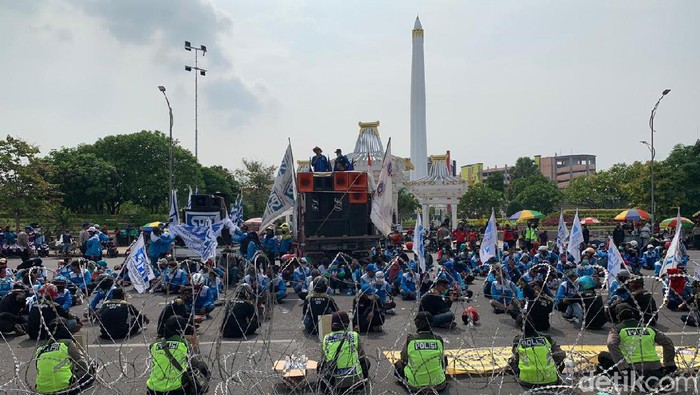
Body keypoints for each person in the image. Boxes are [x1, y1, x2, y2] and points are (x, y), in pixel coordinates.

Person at [596, 304, 676, 389]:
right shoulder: (648, 328)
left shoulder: (618, 329)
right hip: (655, 366)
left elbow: (611, 344)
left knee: (603, 356)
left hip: (633, 368)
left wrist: (623, 367)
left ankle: (627, 380)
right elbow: (668, 342)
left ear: (617, 317)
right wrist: (669, 364)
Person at [146, 316, 210, 395]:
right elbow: (195, 362)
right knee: (201, 366)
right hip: (175, 390)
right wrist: (195, 343)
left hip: (153, 389)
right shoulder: (183, 344)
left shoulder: (154, 345)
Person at [34, 318, 95, 395]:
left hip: (41, 389)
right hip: (65, 388)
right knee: (92, 368)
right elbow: (83, 366)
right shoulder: (67, 343)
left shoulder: (40, 348)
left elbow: (38, 368)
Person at [393, 311, 447, 392]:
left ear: (416, 324)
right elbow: (442, 359)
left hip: (415, 386)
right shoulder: (438, 340)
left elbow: (404, 359)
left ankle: (410, 379)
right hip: (439, 385)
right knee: (444, 359)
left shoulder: (411, 340)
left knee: (398, 364)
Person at [319, 311, 369, 391]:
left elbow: (322, 361)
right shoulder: (354, 335)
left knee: (320, 365)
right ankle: (363, 380)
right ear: (347, 324)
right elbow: (362, 357)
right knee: (366, 361)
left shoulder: (326, 338)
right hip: (356, 383)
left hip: (334, 384)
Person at [509, 321, 565, 389]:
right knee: (562, 363)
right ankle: (555, 376)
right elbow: (561, 355)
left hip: (526, 381)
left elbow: (517, 358)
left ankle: (521, 375)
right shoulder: (546, 338)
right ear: (533, 324)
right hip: (551, 380)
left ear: (520, 327)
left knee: (511, 360)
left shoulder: (518, 340)